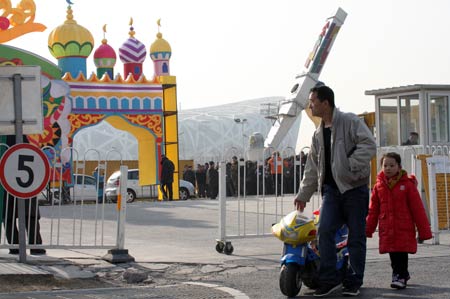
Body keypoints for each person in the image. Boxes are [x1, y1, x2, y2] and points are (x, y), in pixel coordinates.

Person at [293, 84, 376, 297]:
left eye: (313, 101)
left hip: (354, 189)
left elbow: (369, 145)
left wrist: (349, 165)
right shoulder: (317, 134)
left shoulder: (350, 121)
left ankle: (354, 280)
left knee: (356, 237)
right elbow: (312, 166)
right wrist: (303, 194)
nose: (310, 105)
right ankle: (329, 279)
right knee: (324, 232)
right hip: (331, 191)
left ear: (325, 103)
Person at [366, 152, 432, 289]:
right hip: (387, 228)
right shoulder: (379, 186)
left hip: (404, 228)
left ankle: (399, 276)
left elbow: (418, 209)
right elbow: (373, 210)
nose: (388, 168)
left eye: (392, 165)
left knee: (401, 254)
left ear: (399, 166)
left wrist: (424, 232)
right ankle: (402, 274)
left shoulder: (407, 185)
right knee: (393, 254)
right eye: (385, 165)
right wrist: (368, 229)